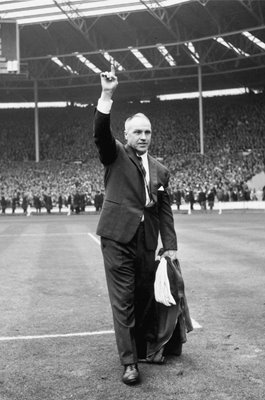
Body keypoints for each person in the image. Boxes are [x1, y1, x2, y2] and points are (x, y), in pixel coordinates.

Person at [93, 65, 178, 385]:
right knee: (124, 300)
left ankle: (143, 348)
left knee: (144, 296)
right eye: (137, 132)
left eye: (147, 132)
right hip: (116, 237)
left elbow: (165, 208)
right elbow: (101, 133)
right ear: (126, 135)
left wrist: (169, 245)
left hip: (146, 239)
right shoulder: (114, 154)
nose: (143, 137)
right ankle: (129, 363)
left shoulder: (161, 169)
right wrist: (106, 95)